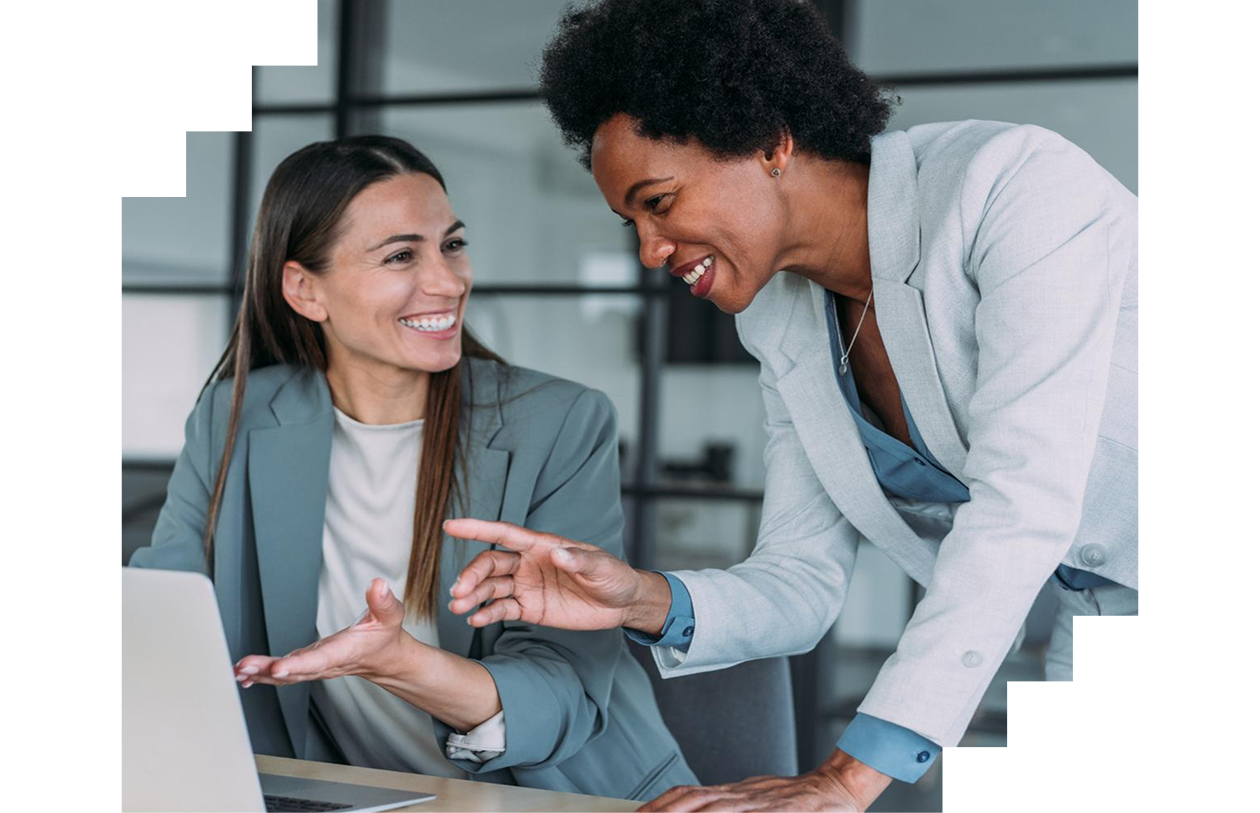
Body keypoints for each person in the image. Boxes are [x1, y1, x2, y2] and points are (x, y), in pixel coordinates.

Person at [444, 1, 1141, 811]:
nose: (648, 250)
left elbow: (1024, 497)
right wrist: (633, 595)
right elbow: (801, 578)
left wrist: (848, 778)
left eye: (660, 200)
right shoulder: (780, 317)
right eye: (630, 220)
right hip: (1107, 619)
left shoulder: (1012, 187)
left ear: (771, 141)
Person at [129, 134, 697, 801]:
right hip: (346, 796)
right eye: (402, 254)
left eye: (452, 244)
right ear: (306, 290)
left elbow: (565, 690)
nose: (449, 281)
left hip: (566, 794)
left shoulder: (559, 422)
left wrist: (404, 666)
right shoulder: (238, 416)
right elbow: (159, 619)